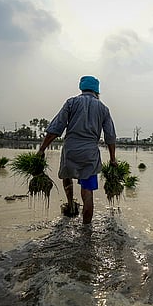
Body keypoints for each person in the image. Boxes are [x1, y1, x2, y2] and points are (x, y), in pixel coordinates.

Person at [37, 75, 117, 224]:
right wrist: (112, 159)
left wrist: (41, 149)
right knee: (87, 191)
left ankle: (71, 204)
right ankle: (86, 229)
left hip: (70, 150)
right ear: (97, 91)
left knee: (67, 175)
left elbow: (56, 128)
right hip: (90, 153)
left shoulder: (72, 102)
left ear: (82, 87)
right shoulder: (103, 109)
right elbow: (110, 136)